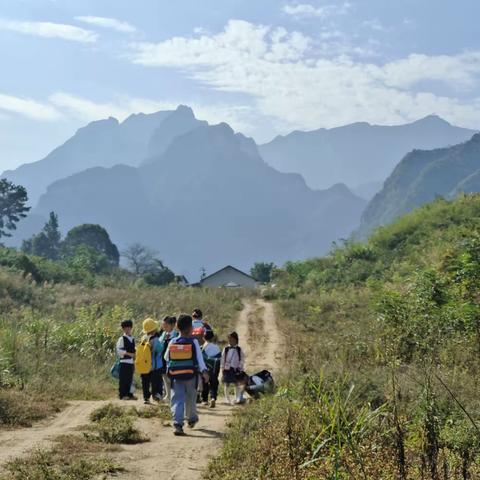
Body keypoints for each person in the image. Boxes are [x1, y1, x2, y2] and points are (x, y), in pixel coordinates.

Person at [164, 314, 209, 436]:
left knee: (177, 399)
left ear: (177, 327)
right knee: (191, 398)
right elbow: (200, 359)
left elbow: (166, 357)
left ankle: (177, 424)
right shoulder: (194, 342)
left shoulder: (173, 341)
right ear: (191, 328)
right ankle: (191, 418)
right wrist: (204, 372)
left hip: (176, 376)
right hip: (191, 375)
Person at [138, 318, 163, 404]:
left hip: (144, 365)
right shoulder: (155, 339)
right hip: (154, 365)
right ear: (154, 329)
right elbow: (160, 349)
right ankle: (156, 395)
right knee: (156, 381)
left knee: (145, 382)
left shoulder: (143, 338)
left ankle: (146, 397)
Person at [221, 331, 245, 405]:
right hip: (227, 369)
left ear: (236, 339)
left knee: (237, 383)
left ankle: (237, 398)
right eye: (229, 339)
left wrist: (240, 367)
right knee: (227, 384)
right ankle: (227, 399)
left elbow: (242, 359)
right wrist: (222, 368)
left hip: (236, 369)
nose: (230, 341)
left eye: (232, 339)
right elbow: (222, 358)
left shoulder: (239, 349)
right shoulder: (226, 349)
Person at [159, 315, 178, 403]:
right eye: (163, 325)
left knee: (172, 378)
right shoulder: (163, 334)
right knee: (164, 377)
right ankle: (168, 395)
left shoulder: (176, 335)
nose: (164, 327)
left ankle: (174, 395)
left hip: (172, 360)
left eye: (166, 325)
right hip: (163, 359)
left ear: (172, 325)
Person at [116, 319, 137, 400]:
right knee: (123, 379)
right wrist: (129, 354)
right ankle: (122, 395)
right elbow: (119, 350)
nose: (127, 329)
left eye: (128, 328)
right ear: (123, 329)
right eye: (125, 328)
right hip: (124, 361)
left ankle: (129, 394)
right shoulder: (122, 339)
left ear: (131, 328)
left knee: (129, 378)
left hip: (131, 362)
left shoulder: (132, 338)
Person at [201, 330, 221, 408]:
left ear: (203, 338)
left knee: (205, 383)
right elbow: (219, 358)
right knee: (214, 383)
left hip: (206, 368)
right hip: (214, 369)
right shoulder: (216, 347)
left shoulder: (203, 347)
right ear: (213, 338)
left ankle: (205, 400)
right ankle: (213, 397)